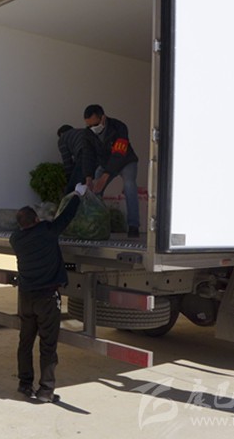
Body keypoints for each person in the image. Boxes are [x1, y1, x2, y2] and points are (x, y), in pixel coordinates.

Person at [10, 184, 85, 403]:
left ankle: (25, 384)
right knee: (48, 345)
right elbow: (66, 216)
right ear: (36, 219)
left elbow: (24, 230)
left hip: (26, 298)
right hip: (47, 299)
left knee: (25, 342)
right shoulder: (47, 232)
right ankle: (45, 390)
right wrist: (78, 195)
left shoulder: (15, 239)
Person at [83, 104, 140, 237]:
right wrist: (88, 177)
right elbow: (88, 155)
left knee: (129, 186)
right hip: (105, 163)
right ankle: (95, 224)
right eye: (89, 126)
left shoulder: (119, 127)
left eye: (95, 124)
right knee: (95, 190)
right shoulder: (87, 133)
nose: (92, 128)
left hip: (126, 161)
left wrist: (105, 176)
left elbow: (119, 153)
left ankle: (133, 225)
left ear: (103, 118)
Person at [57, 124, 99, 195]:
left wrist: (69, 179)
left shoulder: (63, 138)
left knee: (73, 187)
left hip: (85, 153)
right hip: (100, 155)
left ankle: (71, 201)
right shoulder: (82, 132)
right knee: (89, 186)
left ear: (61, 134)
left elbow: (67, 162)